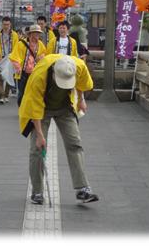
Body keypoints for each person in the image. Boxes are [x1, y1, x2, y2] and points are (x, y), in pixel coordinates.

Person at [19, 54, 99, 204]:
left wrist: (81, 100)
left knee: (75, 144)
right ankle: (37, 192)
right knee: (37, 149)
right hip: (42, 109)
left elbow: (82, 84)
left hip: (65, 106)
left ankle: (83, 189)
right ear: (55, 73)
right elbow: (34, 108)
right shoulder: (39, 76)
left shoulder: (79, 66)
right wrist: (40, 136)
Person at [9, 25, 47, 107]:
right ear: (30, 34)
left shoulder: (40, 44)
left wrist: (41, 57)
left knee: (33, 92)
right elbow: (14, 57)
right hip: (23, 72)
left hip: (34, 73)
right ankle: (21, 108)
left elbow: (44, 54)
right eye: (35, 33)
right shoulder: (21, 44)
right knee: (22, 92)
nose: (37, 35)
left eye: (38, 33)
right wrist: (18, 67)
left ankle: (29, 110)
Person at [0, 16, 19, 104]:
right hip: (1, 57)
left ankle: (6, 95)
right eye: (4, 24)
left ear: (10, 24)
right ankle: (1, 96)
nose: (6, 26)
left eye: (7, 24)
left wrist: (14, 58)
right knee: (1, 78)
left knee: (9, 77)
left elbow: (16, 47)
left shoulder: (14, 35)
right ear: (2, 24)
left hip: (10, 58)